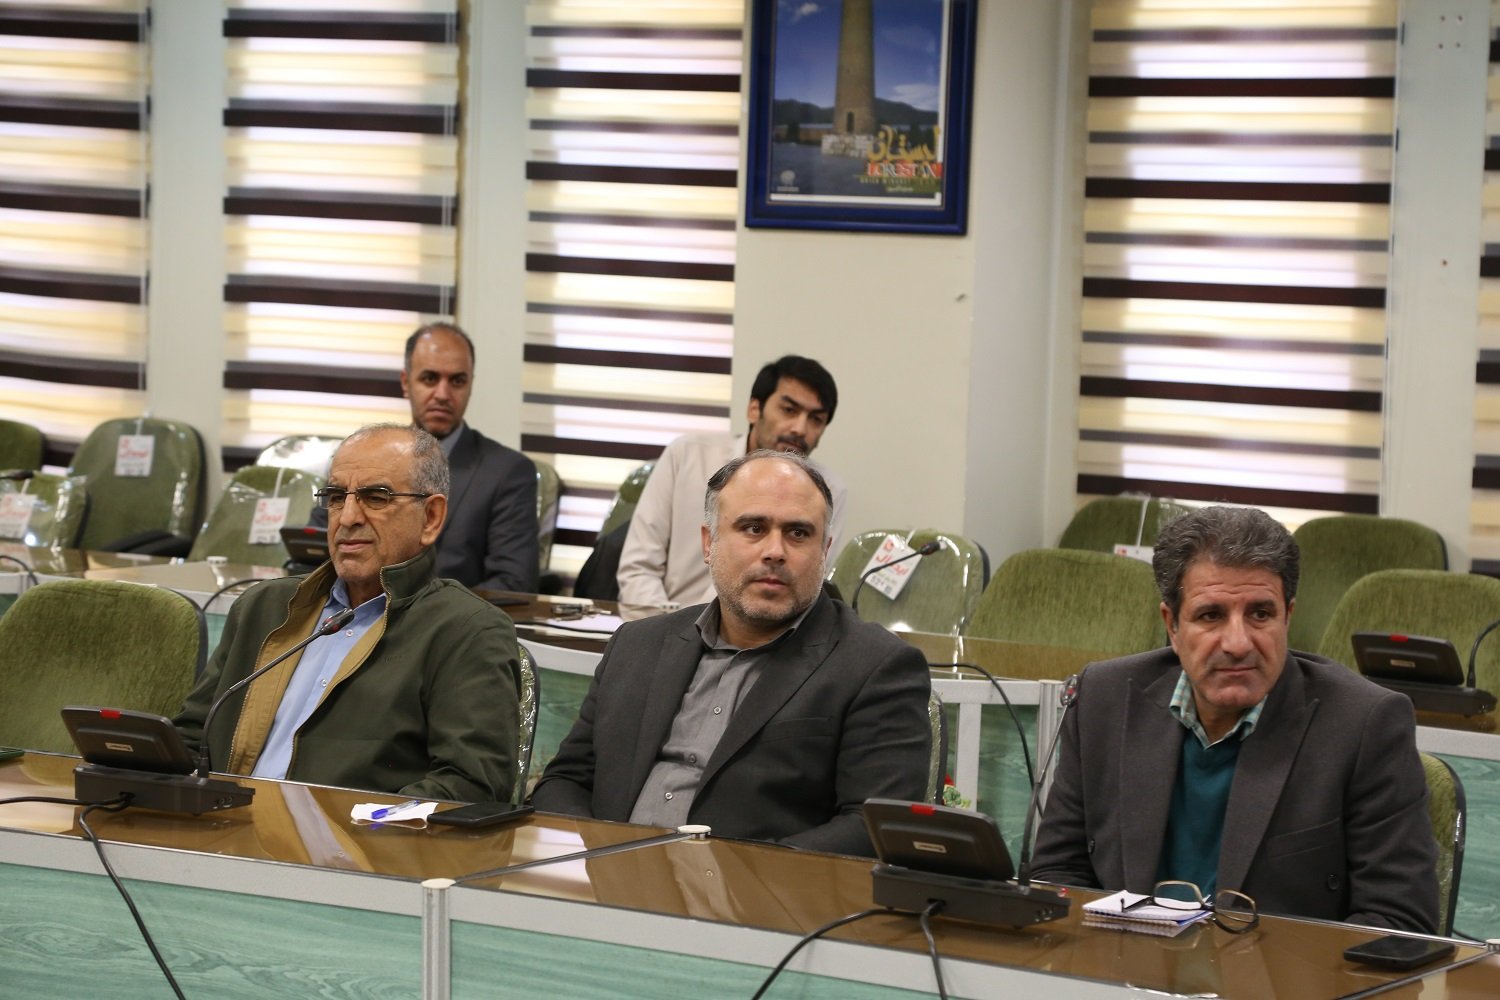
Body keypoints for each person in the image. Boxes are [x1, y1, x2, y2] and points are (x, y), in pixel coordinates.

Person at [1030, 505, 1439, 932]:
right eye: (1211, 615)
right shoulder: (1105, 699)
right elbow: (1058, 877)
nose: (1238, 643)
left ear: (1288, 617)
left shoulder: (1364, 724)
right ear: (1172, 625)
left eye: (1261, 614)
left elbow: (1399, 923)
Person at [533, 450, 930, 856]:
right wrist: (604, 856)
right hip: (611, 880)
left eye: (798, 533)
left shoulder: (875, 667)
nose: (775, 551)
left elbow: (871, 826)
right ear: (709, 543)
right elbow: (565, 781)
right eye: (753, 528)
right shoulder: (637, 645)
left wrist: (733, 877)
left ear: (824, 550)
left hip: (760, 890)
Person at [177, 424, 523, 802]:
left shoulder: (466, 630)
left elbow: (471, 785)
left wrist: (356, 826)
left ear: (431, 517)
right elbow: (191, 740)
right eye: (336, 497)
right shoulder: (262, 608)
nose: (347, 517)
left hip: (350, 838)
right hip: (221, 825)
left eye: (376, 497)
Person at [311, 322, 539, 593]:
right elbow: (312, 555)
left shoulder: (507, 472)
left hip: (452, 616)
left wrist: (423, 610)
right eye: (430, 379)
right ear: (406, 383)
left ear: (470, 385)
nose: (442, 394)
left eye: (457, 381)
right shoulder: (359, 459)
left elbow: (513, 584)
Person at [615, 355, 848, 608]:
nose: (800, 429)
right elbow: (638, 568)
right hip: (663, 617)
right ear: (754, 409)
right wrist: (671, 628)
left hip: (761, 627)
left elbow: (805, 587)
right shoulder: (687, 455)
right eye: (789, 410)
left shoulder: (827, 491)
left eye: (816, 419)